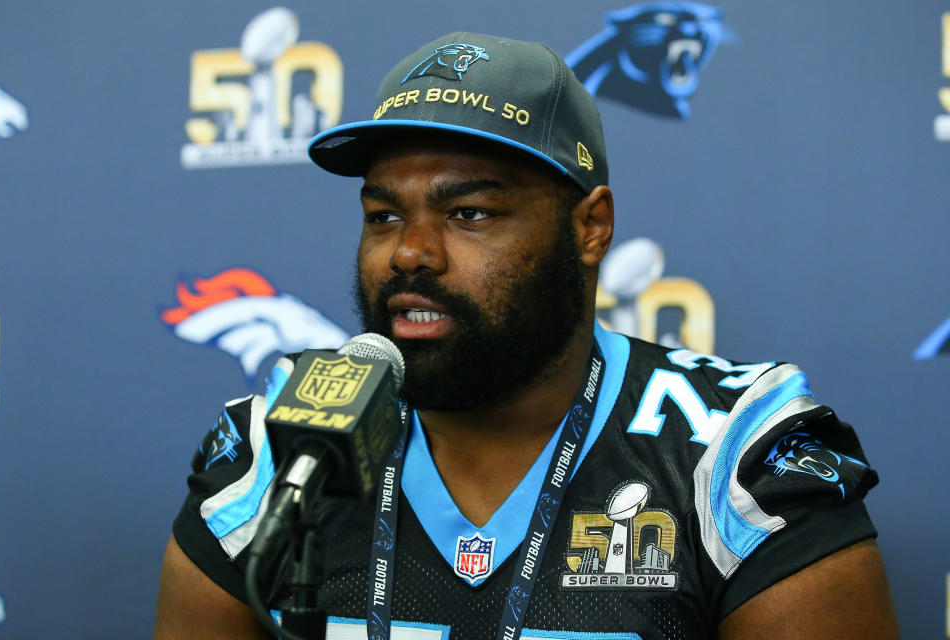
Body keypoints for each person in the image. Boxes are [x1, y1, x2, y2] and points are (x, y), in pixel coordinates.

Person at [153, 32, 899, 640]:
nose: (409, 252)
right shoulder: (281, 446)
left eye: (469, 212)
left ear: (590, 227)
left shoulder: (732, 451)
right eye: (383, 216)